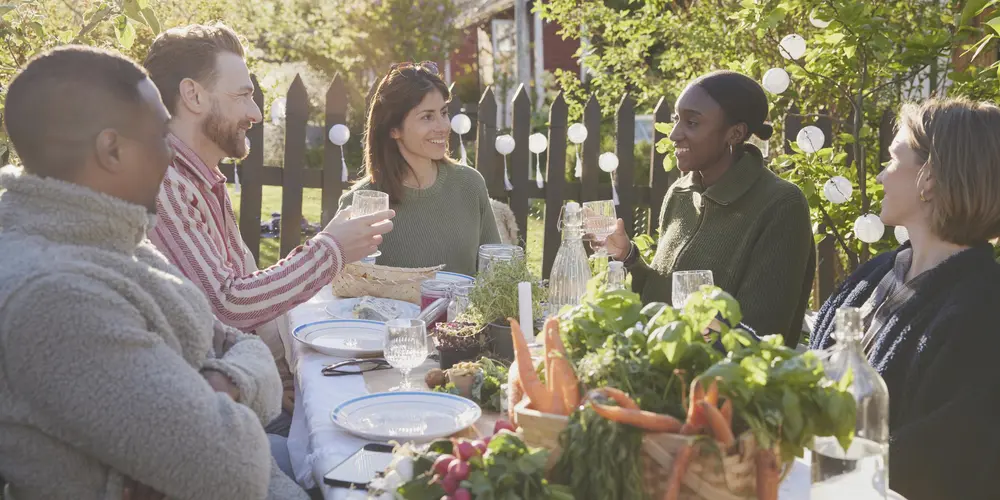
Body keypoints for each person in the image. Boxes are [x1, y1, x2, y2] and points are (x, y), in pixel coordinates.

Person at [0, 46, 307, 499]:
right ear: (112, 149)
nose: (171, 156)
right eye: (162, 136)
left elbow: (235, 340)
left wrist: (223, 385)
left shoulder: (116, 240)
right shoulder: (57, 298)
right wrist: (227, 389)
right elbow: (230, 468)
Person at [142, 23, 394, 436]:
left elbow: (239, 294)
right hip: (208, 414)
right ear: (193, 95)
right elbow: (228, 304)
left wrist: (275, 375)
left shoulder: (203, 180)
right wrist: (330, 250)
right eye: (242, 95)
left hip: (249, 387)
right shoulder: (167, 184)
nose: (256, 113)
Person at [809, 98, 1000, 500]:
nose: (879, 176)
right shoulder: (881, 271)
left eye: (892, 161)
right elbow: (818, 362)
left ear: (928, 179)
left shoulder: (981, 313)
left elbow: (943, 459)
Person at [598, 70, 814, 345]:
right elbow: (658, 299)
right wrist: (628, 257)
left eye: (692, 122)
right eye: (677, 119)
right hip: (659, 370)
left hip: (724, 384)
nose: (675, 134)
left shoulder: (781, 205)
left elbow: (761, 333)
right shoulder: (680, 194)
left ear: (735, 134)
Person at [339, 61, 501, 275]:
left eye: (443, 113)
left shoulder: (470, 184)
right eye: (427, 117)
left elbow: (498, 274)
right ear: (394, 129)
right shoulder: (359, 202)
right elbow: (348, 291)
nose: (443, 126)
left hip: (463, 310)